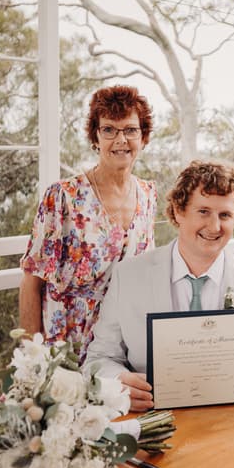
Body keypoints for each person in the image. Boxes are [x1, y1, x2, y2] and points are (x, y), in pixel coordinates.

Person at [84, 160, 234, 412]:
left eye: (225, 215)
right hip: (154, 418)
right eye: (203, 212)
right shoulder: (129, 276)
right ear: (178, 211)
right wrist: (117, 384)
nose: (215, 226)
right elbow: (99, 359)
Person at [19, 85, 159, 360]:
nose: (121, 140)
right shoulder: (63, 197)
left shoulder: (148, 195)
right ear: (95, 136)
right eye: (109, 130)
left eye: (130, 130)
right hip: (68, 342)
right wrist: (32, 358)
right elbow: (31, 279)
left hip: (124, 343)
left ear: (143, 137)